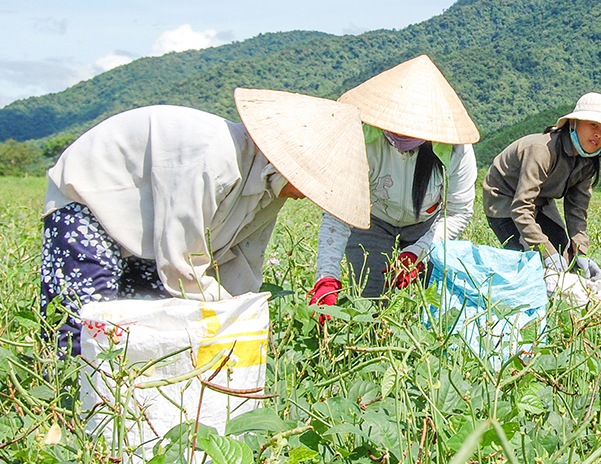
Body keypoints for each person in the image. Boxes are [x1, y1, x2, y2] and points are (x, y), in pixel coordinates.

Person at [40, 88, 370, 355]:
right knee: (85, 321)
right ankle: (62, 408)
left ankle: (123, 412)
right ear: (294, 165)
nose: (308, 197)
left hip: (147, 229)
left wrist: (242, 319)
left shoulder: (271, 188)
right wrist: (222, 317)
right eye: (314, 186)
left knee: (149, 324)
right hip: (89, 197)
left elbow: (244, 259)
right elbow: (181, 259)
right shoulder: (216, 157)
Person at [312, 55, 479, 305]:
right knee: (370, 301)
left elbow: (458, 212)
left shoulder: (454, 150)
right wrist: (327, 277)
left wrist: (417, 253)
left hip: (427, 226)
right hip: (372, 221)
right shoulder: (363, 139)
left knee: (426, 303)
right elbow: (339, 211)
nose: (401, 134)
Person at [482, 92, 601, 286]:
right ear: (574, 123)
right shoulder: (542, 150)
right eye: (593, 125)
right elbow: (521, 207)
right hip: (504, 199)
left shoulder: (587, 163)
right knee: (534, 263)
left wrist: (581, 252)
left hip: (541, 201)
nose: (598, 135)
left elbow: (577, 210)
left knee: (564, 255)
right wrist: (545, 252)